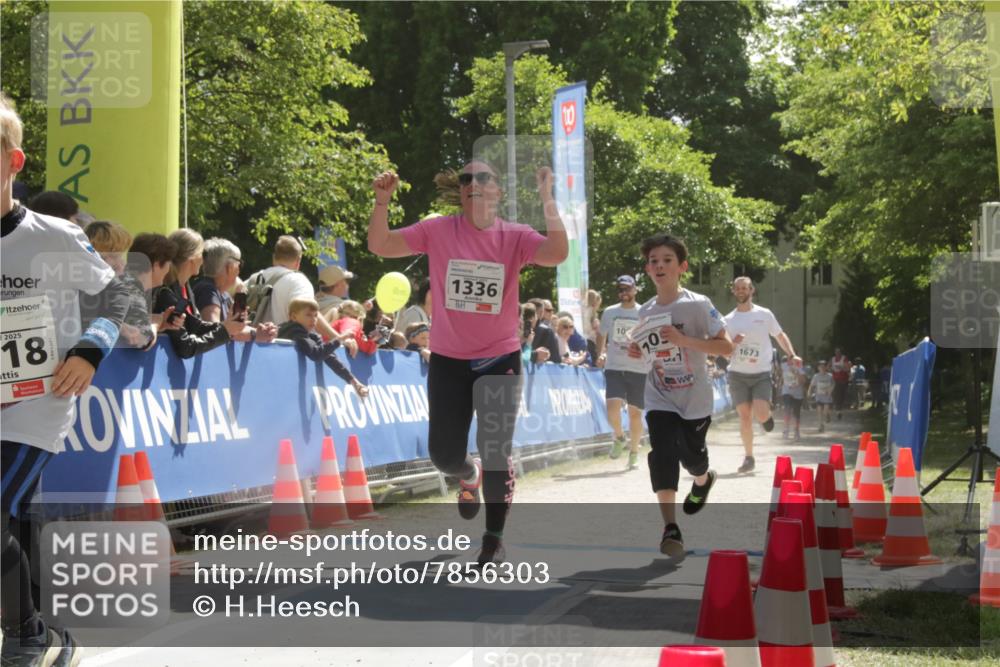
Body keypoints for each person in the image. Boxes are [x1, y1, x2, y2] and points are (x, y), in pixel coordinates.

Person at [367, 159, 567, 566]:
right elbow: (381, 245)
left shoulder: (514, 235)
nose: (473, 184)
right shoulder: (438, 229)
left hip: (499, 358)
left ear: (498, 191)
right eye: (466, 179)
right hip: (449, 360)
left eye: (483, 178)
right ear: (460, 191)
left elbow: (557, 253)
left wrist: (548, 198)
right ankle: (467, 474)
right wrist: (382, 202)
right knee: (443, 455)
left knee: (496, 450)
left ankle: (493, 538)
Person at [2, 93, 130, 665]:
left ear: (14, 161)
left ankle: (27, 635)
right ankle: (40, 633)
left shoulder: (53, 235)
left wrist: (87, 351)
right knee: (11, 518)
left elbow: (118, 296)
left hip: (37, 402)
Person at [626, 233, 733, 560]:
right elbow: (648, 352)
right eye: (653, 261)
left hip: (694, 398)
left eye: (667, 260)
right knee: (662, 453)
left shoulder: (698, 304)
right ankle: (670, 528)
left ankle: (702, 480)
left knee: (692, 457)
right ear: (647, 269)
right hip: (659, 395)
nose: (659, 266)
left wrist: (685, 340)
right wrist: (637, 351)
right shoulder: (645, 311)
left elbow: (726, 347)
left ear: (682, 267)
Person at [723, 276, 800, 474]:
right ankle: (749, 457)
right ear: (733, 291)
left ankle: (766, 417)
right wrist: (733, 344)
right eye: (737, 288)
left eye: (744, 288)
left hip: (761, 373)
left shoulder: (764, 314)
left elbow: (780, 336)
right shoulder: (728, 320)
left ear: (752, 290)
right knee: (745, 416)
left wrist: (791, 354)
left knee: (761, 413)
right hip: (737, 374)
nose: (741, 291)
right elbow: (725, 353)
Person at [246, 236, 348, 347]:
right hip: (284, 350)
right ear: (298, 260)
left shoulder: (253, 279)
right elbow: (310, 314)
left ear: (274, 257)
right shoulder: (299, 282)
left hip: (249, 348)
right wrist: (338, 339)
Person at [596, 275, 647, 468]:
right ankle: (619, 437)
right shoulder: (610, 312)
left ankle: (634, 453)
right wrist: (600, 353)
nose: (624, 292)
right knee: (611, 409)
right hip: (614, 366)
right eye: (621, 289)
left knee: (635, 414)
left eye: (627, 289)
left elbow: (651, 338)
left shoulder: (644, 312)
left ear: (635, 290)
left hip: (638, 369)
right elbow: (601, 334)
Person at [278, 298, 368, 398]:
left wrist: (354, 382)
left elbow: (329, 357)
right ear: (294, 317)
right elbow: (316, 354)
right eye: (308, 315)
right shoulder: (294, 330)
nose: (313, 319)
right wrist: (340, 339)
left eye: (316, 315)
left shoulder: (311, 335)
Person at [194, 238, 277, 343]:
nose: (239, 270)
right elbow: (213, 331)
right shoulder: (208, 290)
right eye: (239, 264)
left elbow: (235, 329)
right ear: (230, 267)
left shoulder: (223, 294)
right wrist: (255, 335)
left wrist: (263, 331)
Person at [779, 356, 808, 441]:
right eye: (788, 359)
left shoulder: (799, 367)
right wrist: (780, 382)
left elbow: (803, 381)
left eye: (791, 359)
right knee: (787, 409)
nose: (789, 361)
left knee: (796, 413)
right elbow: (778, 372)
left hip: (797, 394)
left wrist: (795, 372)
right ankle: (786, 430)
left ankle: (796, 431)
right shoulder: (783, 366)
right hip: (787, 391)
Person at [527, 297, 558, 364]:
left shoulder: (546, 330)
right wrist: (535, 354)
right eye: (548, 310)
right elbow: (556, 358)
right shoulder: (547, 331)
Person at [808, 360, 835, 432]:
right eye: (820, 367)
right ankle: (821, 425)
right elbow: (811, 385)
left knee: (825, 411)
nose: (822, 368)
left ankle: (827, 415)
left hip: (827, 397)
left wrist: (830, 390)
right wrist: (809, 392)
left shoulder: (830, 376)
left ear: (826, 367)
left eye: (823, 367)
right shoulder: (816, 376)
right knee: (819, 411)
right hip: (819, 396)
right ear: (818, 368)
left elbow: (833, 384)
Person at [829, 347, 852, 420]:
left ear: (841, 352)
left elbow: (848, 368)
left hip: (843, 380)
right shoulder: (832, 359)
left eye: (838, 352)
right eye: (836, 352)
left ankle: (840, 409)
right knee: (836, 395)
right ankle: (838, 410)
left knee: (842, 396)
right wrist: (831, 369)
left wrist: (842, 368)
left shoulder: (844, 358)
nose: (837, 353)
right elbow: (827, 367)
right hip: (835, 380)